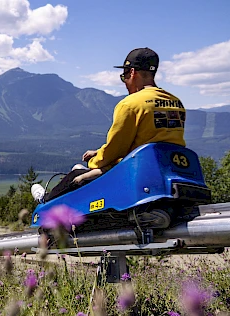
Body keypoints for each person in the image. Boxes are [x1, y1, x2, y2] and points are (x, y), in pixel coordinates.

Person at [32, 47, 186, 203]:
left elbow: (114, 150)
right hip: (168, 168)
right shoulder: (175, 102)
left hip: (137, 172)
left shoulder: (130, 104)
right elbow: (153, 138)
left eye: (124, 76)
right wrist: (98, 151)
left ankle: (45, 200)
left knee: (76, 174)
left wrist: (94, 162)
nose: (125, 83)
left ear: (132, 72)